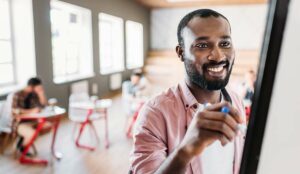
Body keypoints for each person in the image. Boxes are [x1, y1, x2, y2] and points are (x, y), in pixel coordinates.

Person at [130, 9, 246, 174]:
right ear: (181, 52)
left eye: (225, 43)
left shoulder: (236, 100)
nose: (218, 56)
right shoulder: (154, 113)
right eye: (202, 45)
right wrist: (187, 149)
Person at [12, 77, 49, 155]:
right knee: (33, 134)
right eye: (38, 87)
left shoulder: (33, 95)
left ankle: (24, 140)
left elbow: (44, 106)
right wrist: (30, 111)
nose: (39, 89)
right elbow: (15, 111)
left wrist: (41, 93)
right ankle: (22, 147)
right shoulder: (17, 94)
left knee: (48, 126)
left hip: (32, 121)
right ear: (32, 87)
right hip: (19, 123)